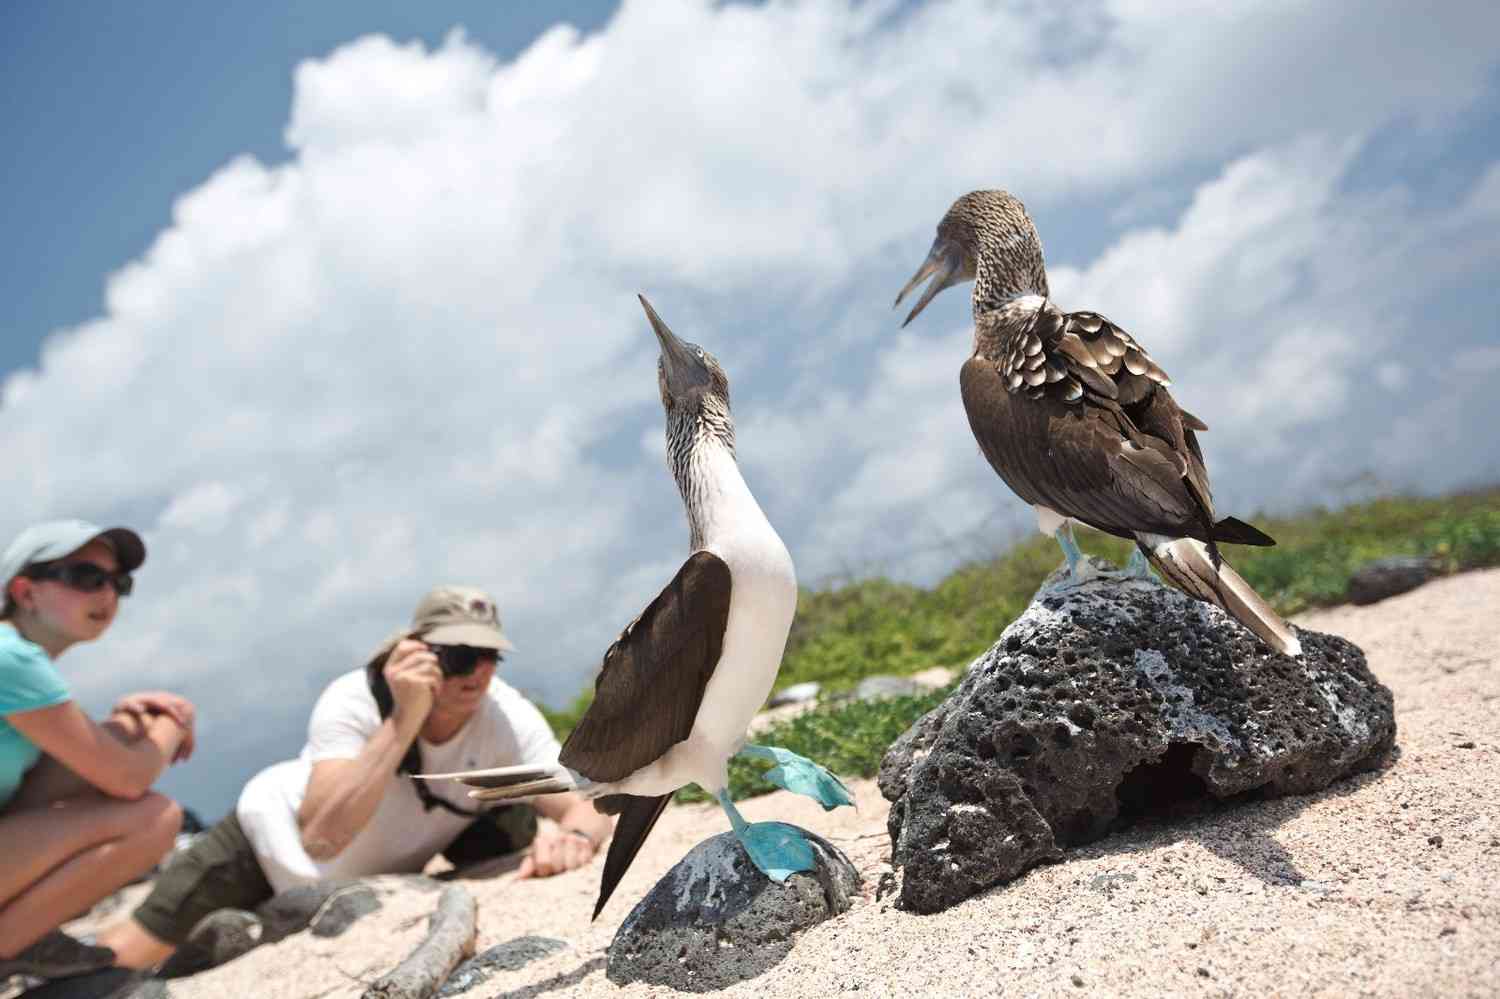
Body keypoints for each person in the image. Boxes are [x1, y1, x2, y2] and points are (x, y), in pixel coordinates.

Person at [101, 585, 613, 970]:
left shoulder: (504, 714)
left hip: (357, 885)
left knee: (511, 821)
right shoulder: (355, 698)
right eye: (458, 655)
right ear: (415, 651)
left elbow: (585, 801)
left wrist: (571, 837)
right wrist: (403, 719)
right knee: (128, 953)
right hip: (265, 846)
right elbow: (321, 839)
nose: (475, 673)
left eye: (488, 656)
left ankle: (250, 932)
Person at [0, 520, 194, 981]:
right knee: (158, 816)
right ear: (25, 592)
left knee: (124, 730)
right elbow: (128, 778)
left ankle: (24, 935)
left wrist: (130, 723)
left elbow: (92, 754)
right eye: (86, 577)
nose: (106, 594)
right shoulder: (12, 660)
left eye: (118, 583)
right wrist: (174, 720)